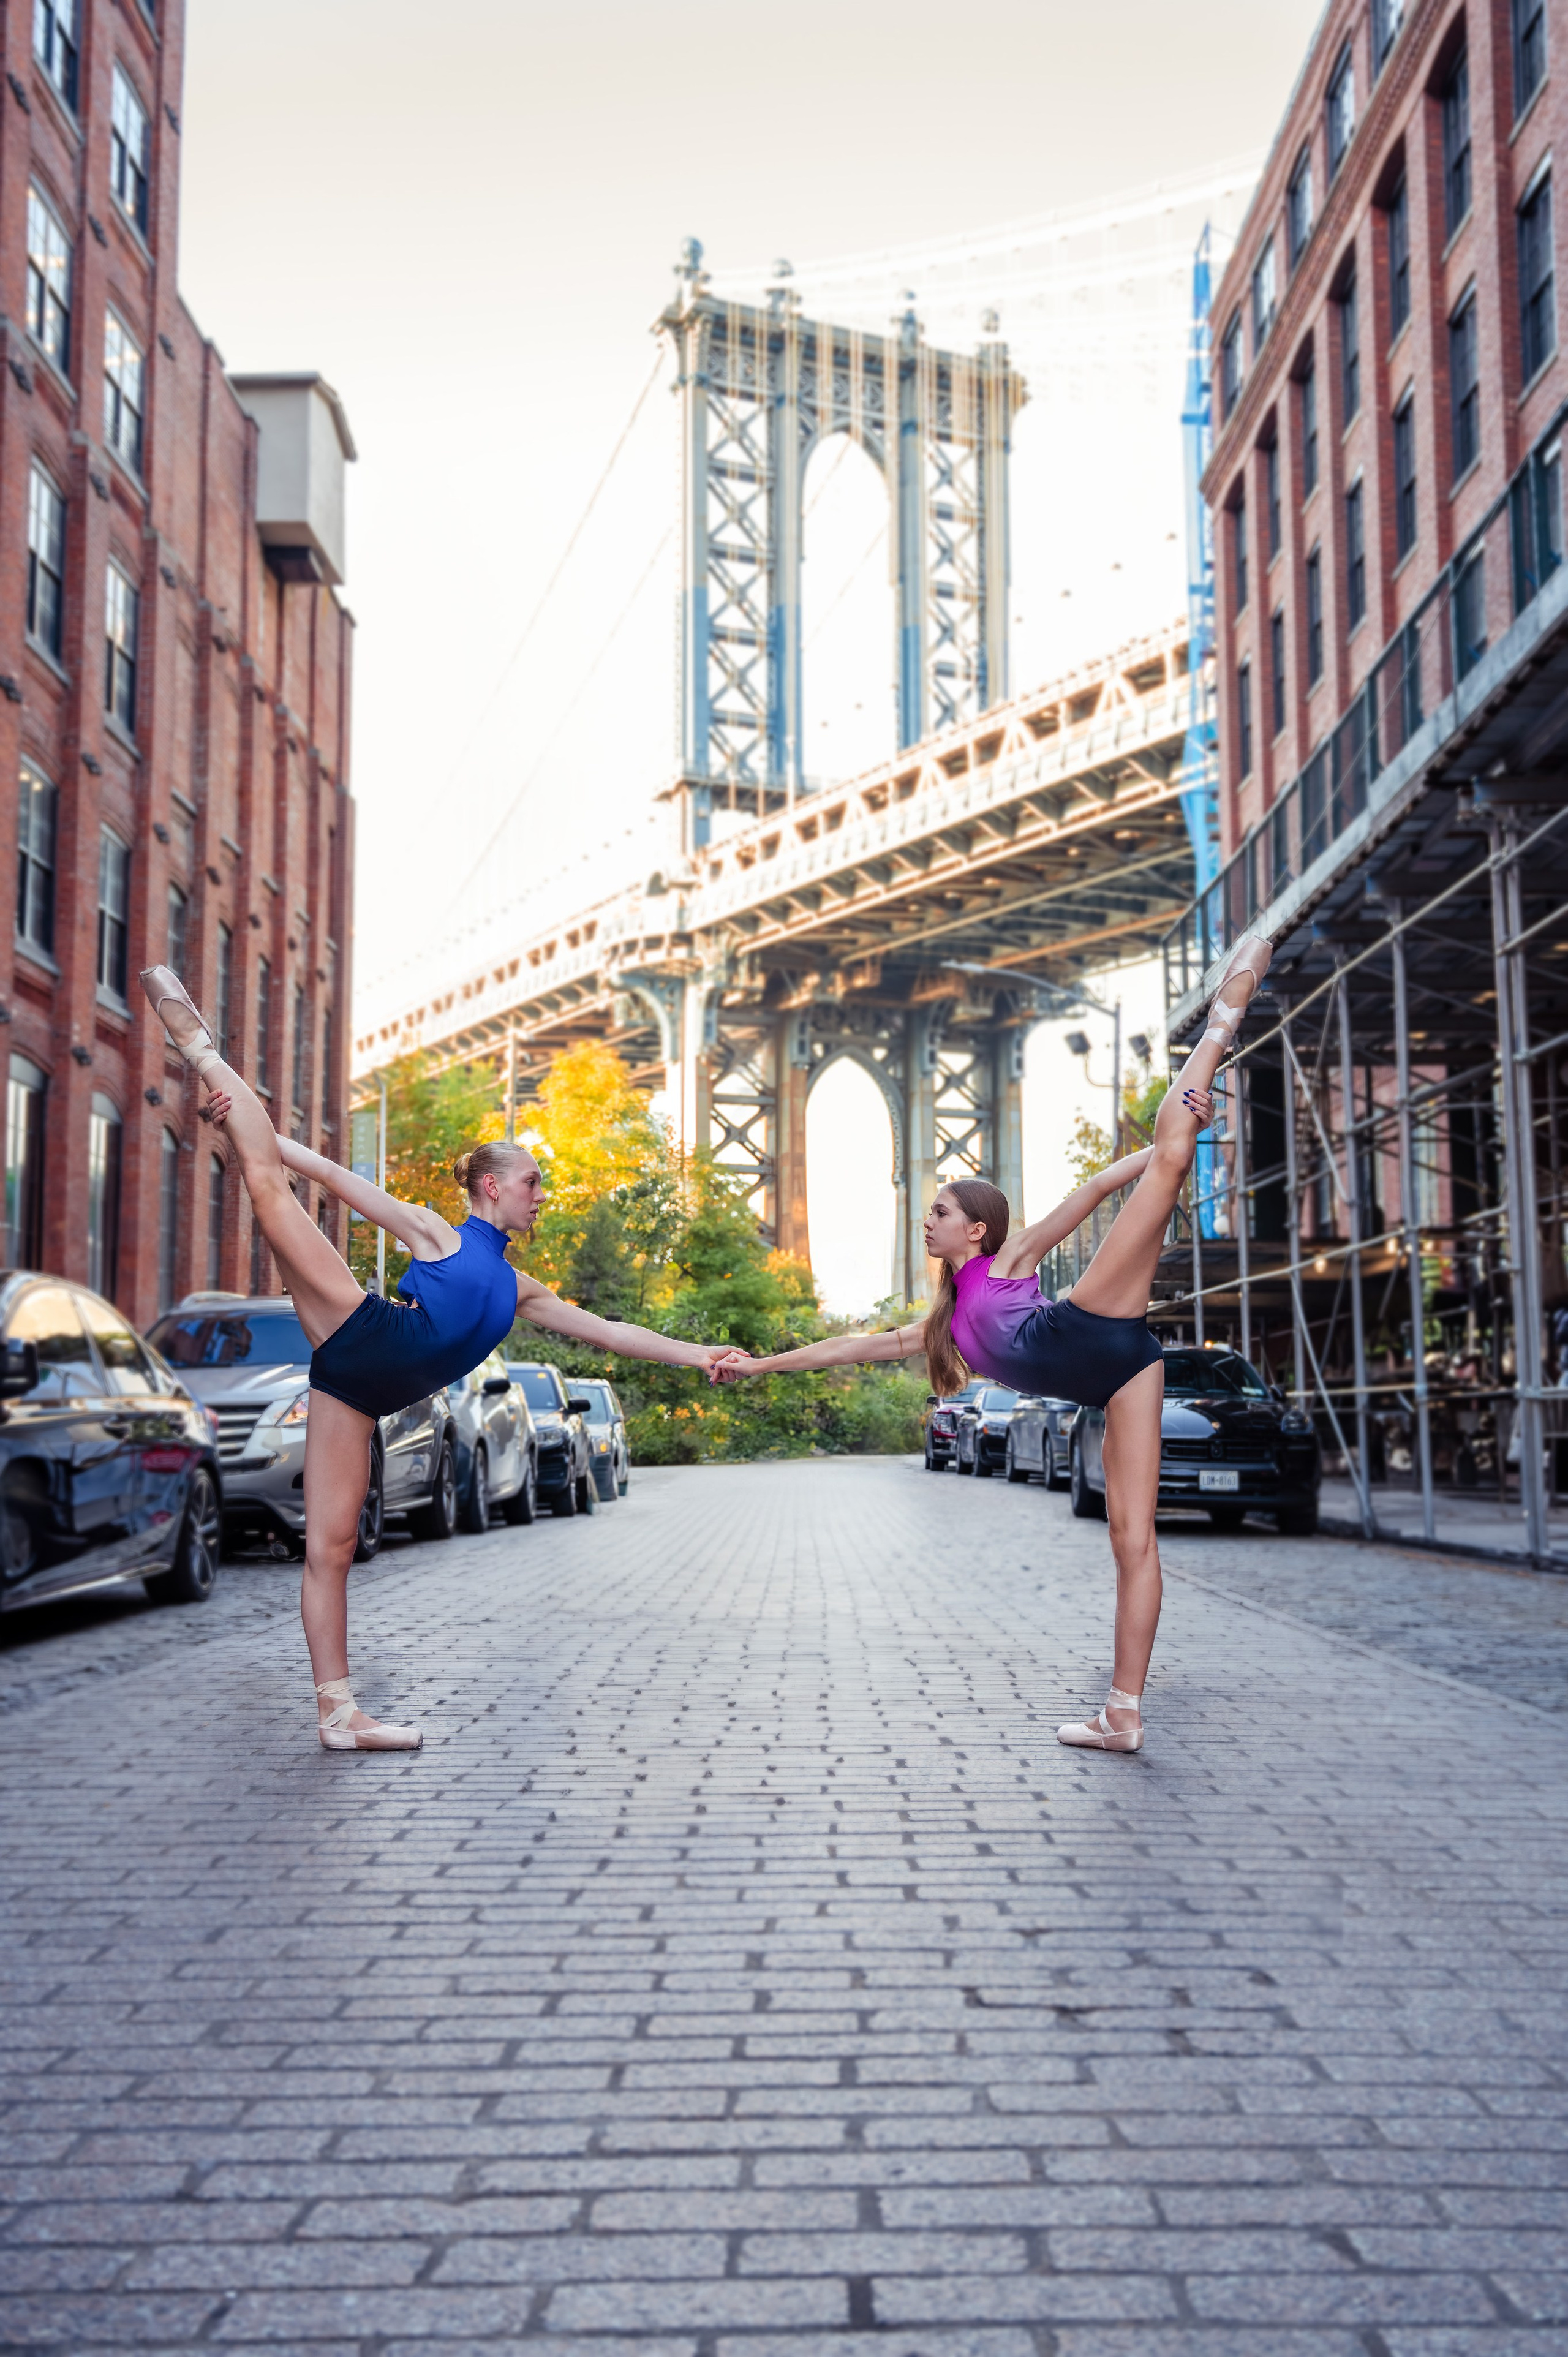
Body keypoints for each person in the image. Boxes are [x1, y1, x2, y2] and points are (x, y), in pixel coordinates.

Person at [140, 965, 742, 1754]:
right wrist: (244, 1127)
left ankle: (338, 1716)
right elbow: (323, 1172)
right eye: (532, 1181)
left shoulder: (518, 1286)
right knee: (270, 1186)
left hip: (355, 1393)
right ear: (491, 1186)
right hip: (364, 1331)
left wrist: (699, 1353)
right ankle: (201, 1050)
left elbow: (611, 1330)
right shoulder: (435, 1232)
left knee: (332, 1545)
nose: (541, 1193)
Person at [712, 933, 1273, 1755]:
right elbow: (847, 1348)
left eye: (939, 1211)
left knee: (1169, 1165)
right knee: (1129, 1542)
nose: (927, 1219)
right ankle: (1123, 1716)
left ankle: (1221, 1027)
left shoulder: (1007, 1262)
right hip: (1121, 1381)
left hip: (1094, 1328)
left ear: (974, 1229)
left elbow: (1083, 1193)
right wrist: (761, 1364)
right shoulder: (938, 1327)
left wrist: (1152, 1152)